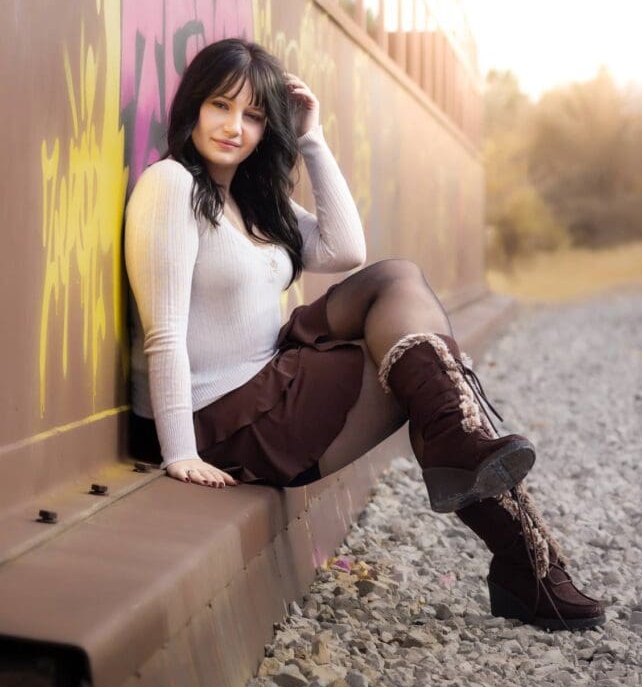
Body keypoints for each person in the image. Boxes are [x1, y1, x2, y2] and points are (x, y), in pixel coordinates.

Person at [124, 37, 605, 633]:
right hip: (221, 419)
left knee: (398, 286)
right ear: (193, 106)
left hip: (273, 375)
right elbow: (163, 332)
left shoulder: (250, 201)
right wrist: (180, 453)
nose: (234, 127)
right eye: (221, 106)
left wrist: (312, 139)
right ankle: (527, 561)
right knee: (421, 384)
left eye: (252, 115)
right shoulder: (172, 186)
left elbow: (345, 249)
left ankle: (500, 515)